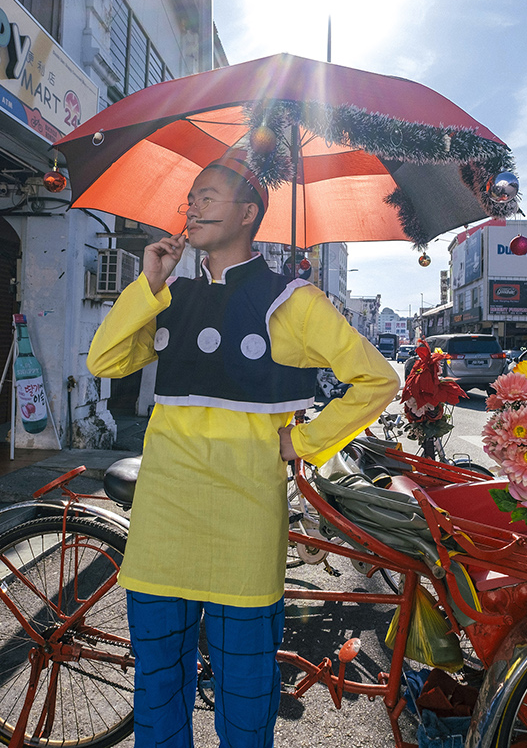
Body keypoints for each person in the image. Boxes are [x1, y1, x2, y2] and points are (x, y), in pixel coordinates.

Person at [87, 147, 398, 748]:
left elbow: (377, 379)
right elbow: (104, 359)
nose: (193, 206)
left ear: (249, 213)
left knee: (246, 694)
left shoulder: (292, 300)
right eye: (191, 197)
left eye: (208, 195)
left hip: (244, 521)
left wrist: (304, 440)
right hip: (162, 518)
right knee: (156, 685)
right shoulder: (169, 294)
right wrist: (147, 283)